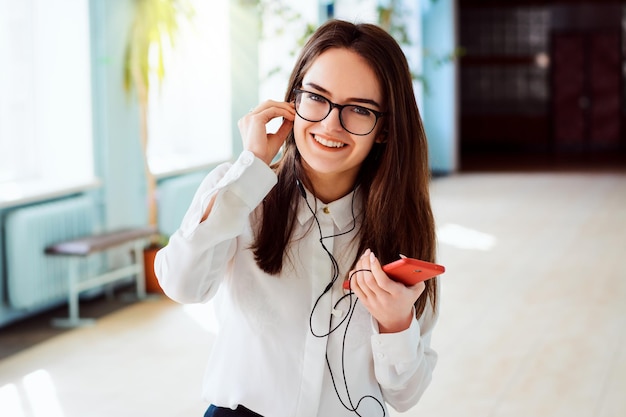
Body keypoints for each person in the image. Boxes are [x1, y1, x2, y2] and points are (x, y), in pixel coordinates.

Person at [154, 18, 439, 417]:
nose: (329, 123)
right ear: (293, 101)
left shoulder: (401, 225)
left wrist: (397, 323)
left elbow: (405, 397)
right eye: (316, 98)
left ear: (385, 130)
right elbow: (181, 284)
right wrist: (250, 168)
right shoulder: (237, 191)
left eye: (358, 109)